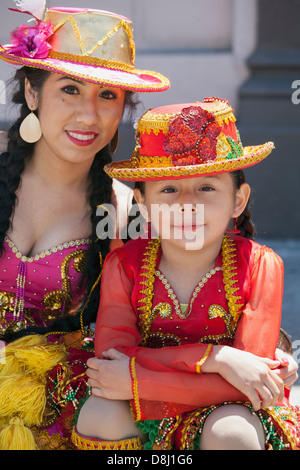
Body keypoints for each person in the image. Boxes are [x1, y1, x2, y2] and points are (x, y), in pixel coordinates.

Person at [73, 98, 300, 450]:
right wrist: (218, 359)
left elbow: (252, 384)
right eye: (168, 189)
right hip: (150, 401)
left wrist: (139, 381)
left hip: (229, 408)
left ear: (238, 200)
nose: (187, 203)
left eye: (207, 187)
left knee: (232, 433)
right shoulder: (123, 265)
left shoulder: (261, 265)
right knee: (100, 412)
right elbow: (111, 359)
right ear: (143, 204)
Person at [0, 3, 169, 450]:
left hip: (61, 402)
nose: (89, 117)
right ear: (33, 94)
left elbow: (154, 322)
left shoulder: (127, 212)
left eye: (108, 96)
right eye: (70, 90)